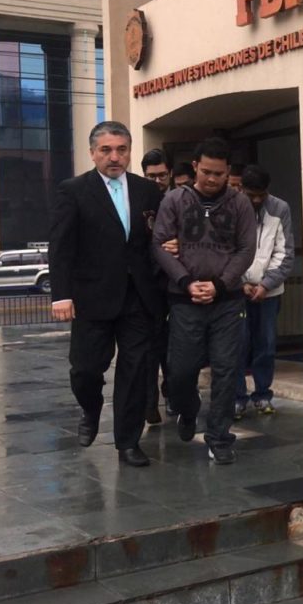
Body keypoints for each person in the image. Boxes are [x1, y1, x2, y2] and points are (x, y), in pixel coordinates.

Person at [48, 121, 164, 467]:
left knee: (135, 370)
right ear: (92, 153)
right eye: (106, 150)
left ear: (129, 151)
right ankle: (91, 407)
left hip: (137, 297)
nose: (115, 157)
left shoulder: (147, 191)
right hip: (92, 297)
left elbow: (156, 237)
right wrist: (61, 295)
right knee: (85, 370)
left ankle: (128, 442)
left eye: (121, 149)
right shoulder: (73, 190)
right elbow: (61, 247)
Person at [152, 137, 256, 465]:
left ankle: (219, 437)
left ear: (228, 172)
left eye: (219, 174)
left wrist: (220, 285)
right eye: (207, 172)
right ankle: (187, 408)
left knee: (226, 369)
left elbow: (246, 249)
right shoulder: (174, 199)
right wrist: (186, 282)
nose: (212, 179)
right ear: (195, 166)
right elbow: (158, 244)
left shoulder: (240, 203)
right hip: (184, 300)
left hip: (227, 301)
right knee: (181, 371)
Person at [234, 165, 294, 419]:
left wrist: (266, 284)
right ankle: (237, 398)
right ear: (242, 189)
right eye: (252, 195)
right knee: (237, 344)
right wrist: (240, 283)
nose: (257, 200)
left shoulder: (280, 208)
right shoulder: (232, 208)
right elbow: (226, 251)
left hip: (269, 292)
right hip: (237, 292)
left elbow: (285, 252)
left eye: (262, 195)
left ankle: (262, 395)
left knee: (266, 345)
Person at [140, 148, 172, 424]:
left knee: (173, 349)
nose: (157, 181)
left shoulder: (180, 200)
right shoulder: (137, 202)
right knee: (149, 349)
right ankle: (150, 404)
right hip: (147, 287)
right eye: (152, 176)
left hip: (175, 286)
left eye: (162, 175)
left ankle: (172, 394)